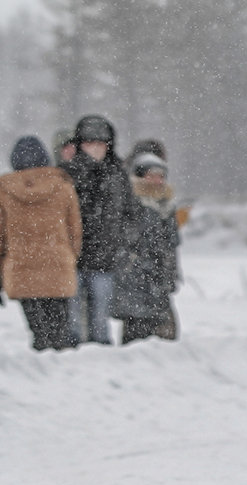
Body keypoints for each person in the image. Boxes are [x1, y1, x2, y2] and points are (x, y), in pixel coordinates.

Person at [61, 114, 139, 345]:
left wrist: (124, 244)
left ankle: (102, 353)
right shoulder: (67, 174)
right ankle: (73, 352)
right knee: (73, 318)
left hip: (105, 259)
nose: (94, 149)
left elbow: (131, 214)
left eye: (100, 143)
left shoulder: (118, 175)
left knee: (101, 318)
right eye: (89, 143)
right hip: (72, 258)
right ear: (79, 144)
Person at [0, 135, 83, 351]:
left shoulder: (4, 191)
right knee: (59, 329)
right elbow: (75, 230)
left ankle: (43, 358)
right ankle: (61, 370)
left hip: (21, 269)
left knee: (38, 330)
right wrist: (69, 256)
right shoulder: (63, 186)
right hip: (58, 267)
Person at [111, 152, 181, 344]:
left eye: (161, 176)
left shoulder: (167, 206)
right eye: (152, 175)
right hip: (136, 277)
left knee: (166, 334)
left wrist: (171, 272)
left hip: (159, 279)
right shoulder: (130, 202)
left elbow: (171, 244)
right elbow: (128, 240)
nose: (157, 181)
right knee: (136, 332)